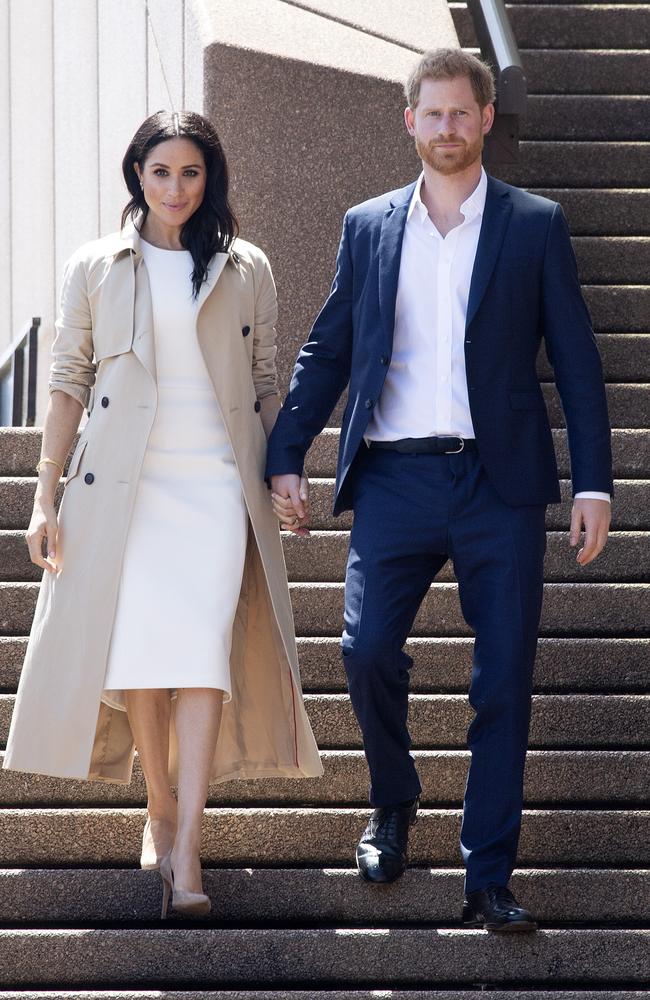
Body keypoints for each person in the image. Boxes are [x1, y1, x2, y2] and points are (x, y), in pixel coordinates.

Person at [267, 49, 612, 931]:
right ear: (409, 120)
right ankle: (394, 802)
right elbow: (327, 350)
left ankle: (488, 874)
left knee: (504, 682)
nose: (448, 129)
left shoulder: (534, 224)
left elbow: (576, 361)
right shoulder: (369, 225)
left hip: (501, 486)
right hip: (395, 475)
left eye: (463, 114)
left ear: (486, 119)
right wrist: (286, 453)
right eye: (434, 114)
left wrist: (595, 484)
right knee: (365, 648)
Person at [4, 110, 322, 918]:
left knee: (200, 656)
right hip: (124, 489)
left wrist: (284, 468)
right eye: (160, 172)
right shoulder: (97, 265)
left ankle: (187, 850)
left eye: (191, 173)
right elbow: (69, 380)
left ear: (209, 178)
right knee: (143, 656)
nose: (176, 188)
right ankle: (161, 808)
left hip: (216, 485)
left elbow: (264, 379)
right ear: (136, 175)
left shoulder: (245, 264)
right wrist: (45, 493)